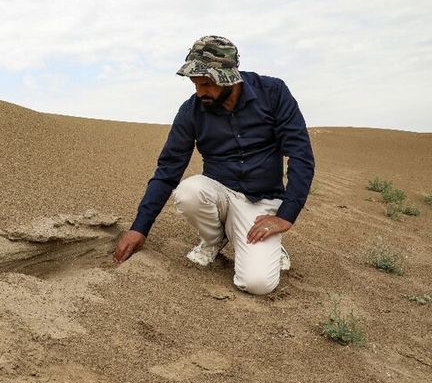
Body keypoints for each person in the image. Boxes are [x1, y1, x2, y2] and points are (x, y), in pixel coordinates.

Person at [113, 35, 315, 295]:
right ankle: (214, 239)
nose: (200, 92)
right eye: (195, 84)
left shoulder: (273, 93)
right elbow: (168, 170)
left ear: (230, 76)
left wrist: (285, 216)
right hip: (218, 193)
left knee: (257, 284)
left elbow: (301, 156)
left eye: (207, 84)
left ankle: (266, 242)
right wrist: (139, 228)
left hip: (261, 200)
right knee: (188, 192)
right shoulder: (191, 111)